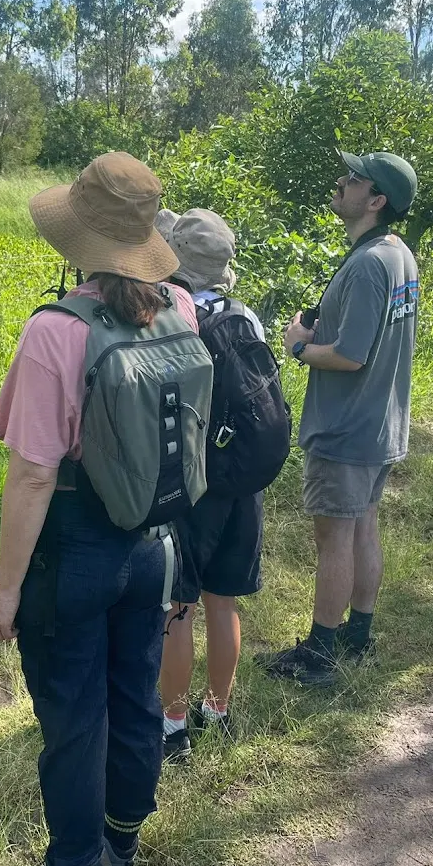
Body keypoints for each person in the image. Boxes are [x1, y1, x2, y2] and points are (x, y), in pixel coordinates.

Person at [0, 152, 205, 866]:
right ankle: (120, 864)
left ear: (78, 237)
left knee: (75, 722)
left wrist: (5, 591)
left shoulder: (54, 330)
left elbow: (33, 475)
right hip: (152, 543)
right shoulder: (181, 307)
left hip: (75, 546)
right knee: (135, 703)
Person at [259, 151, 420, 687]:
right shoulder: (397, 253)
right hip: (380, 422)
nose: (341, 182)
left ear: (376, 200)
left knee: (334, 540)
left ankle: (320, 653)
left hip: (347, 426)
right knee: (363, 529)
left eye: (354, 179)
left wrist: (298, 347)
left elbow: (351, 355)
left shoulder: (370, 263)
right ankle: (358, 635)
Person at [154, 208, 274, 763]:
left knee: (178, 607)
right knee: (222, 602)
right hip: (244, 481)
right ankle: (218, 711)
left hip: (193, 482)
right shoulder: (246, 317)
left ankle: (173, 727)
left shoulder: (174, 317)